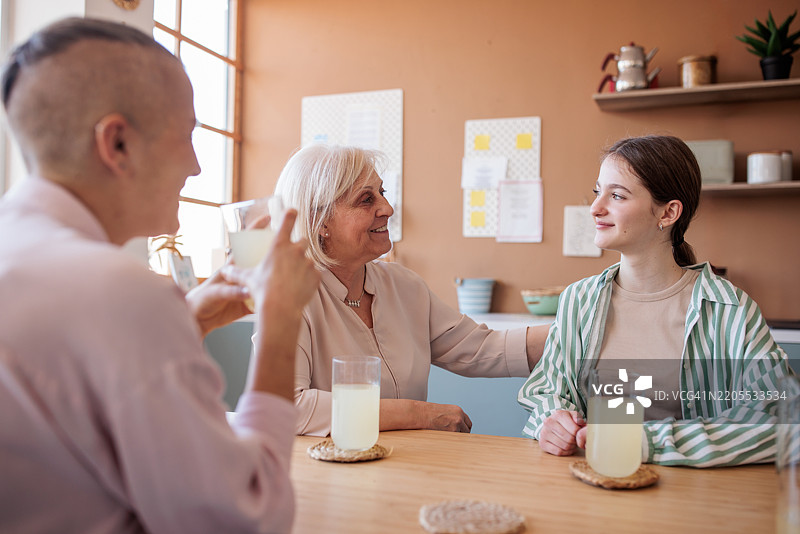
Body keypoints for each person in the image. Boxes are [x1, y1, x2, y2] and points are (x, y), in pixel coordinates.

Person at [0, 17, 319, 533]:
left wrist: (187, 323)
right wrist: (281, 320)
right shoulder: (121, 292)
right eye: (187, 135)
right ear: (117, 144)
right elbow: (243, 519)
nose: (195, 166)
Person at [518, 135, 794, 467]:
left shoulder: (729, 309)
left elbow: (778, 414)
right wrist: (552, 422)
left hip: (693, 502)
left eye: (616, 195)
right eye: (597, 191)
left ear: (668, 212)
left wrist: (647, 442)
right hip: (592, 487)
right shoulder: (579, 299)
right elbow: (548, 391)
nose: (595, 207)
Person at [272, 143, 550, 436]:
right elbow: (287, 407)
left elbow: (481, 349)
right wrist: (419, 414)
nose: (387, 208)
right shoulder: (288, 297)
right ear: (321, 222)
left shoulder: (403, 285)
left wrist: (577, 327)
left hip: (407, 466)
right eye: (366, 199)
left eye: (382, 193)